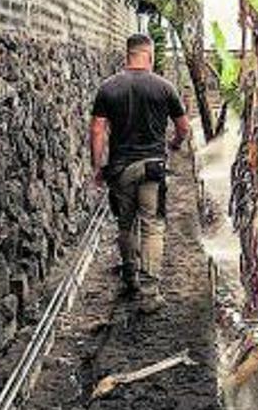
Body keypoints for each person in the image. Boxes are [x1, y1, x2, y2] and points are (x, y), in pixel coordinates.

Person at [89, 33, 189, 312]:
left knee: (125, 223)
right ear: (150, 55)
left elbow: (97, 129)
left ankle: (130, 276)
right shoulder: (164, 87)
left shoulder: (109, 88)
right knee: (152, 225)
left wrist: (97, 167)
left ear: (127, 55)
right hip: (152, 169)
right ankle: (149, 292)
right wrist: (175, 144)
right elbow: (183, 128)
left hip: (120, 169)